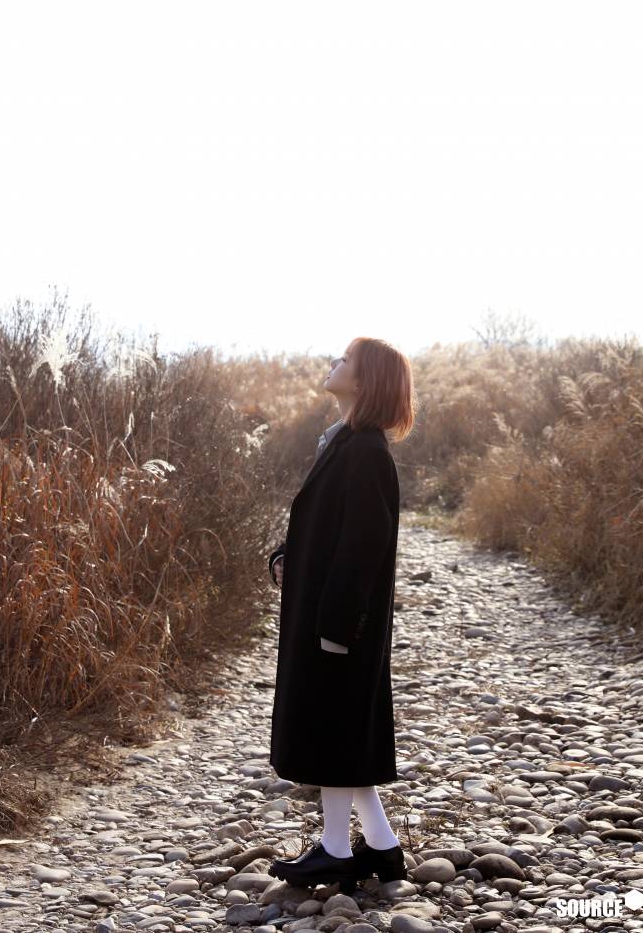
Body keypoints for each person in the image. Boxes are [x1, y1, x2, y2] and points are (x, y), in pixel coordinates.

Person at [266, 336, 417, 893]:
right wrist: (287, 556)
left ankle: (335, 850)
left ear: (366, 380)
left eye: (346, 359)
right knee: (343, 732)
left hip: (340, 623)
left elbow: (362, 546)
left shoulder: (366, 453)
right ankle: (381, 846)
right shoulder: (345, 443)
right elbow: (325, 526)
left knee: (333, 730)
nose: (335, 362)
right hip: (327, 616)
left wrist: (336, 629)